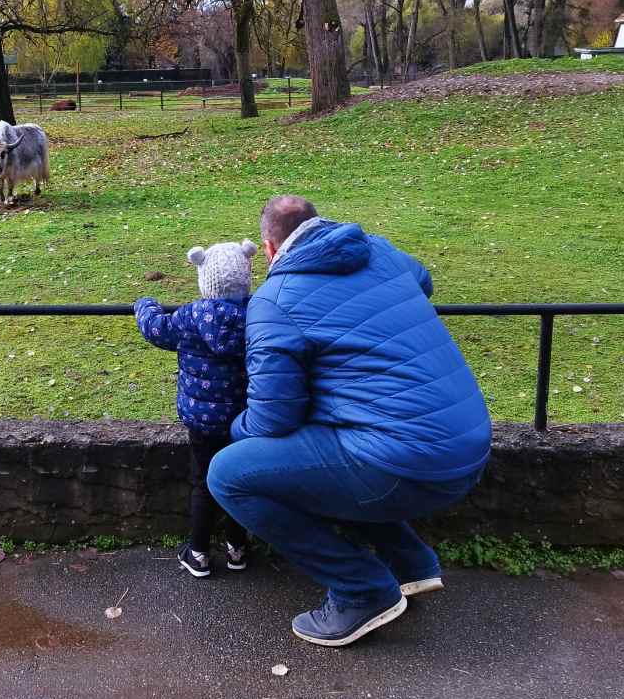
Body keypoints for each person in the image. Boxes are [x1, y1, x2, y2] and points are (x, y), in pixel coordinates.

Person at [208, 196, 491, 647]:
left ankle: (362, 591)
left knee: (230, 474)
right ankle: (410, 564)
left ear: (268, 248)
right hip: (469, 443)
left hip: (408, 466)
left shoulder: (275, 301)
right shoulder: (376, 249)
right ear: (319, 226)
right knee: (326, 452)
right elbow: (423, 278)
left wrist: (233, 430)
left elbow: (271, 420)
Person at [134, 240, 257, 578]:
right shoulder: (259, 315)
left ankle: (199, 553)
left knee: (202, 482)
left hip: (202, 420)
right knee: (238, 480)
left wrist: (145, 304)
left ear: (204, 278)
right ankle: (238, 548)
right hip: (244, 418)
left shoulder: (189, 316)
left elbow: (154, 329)